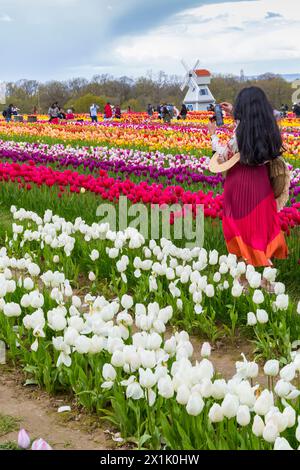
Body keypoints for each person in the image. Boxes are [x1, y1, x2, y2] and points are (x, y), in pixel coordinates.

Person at [207, 86, 288, 269]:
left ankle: (244, 274)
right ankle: (266, 273)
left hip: (239, 184)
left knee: (240, 227)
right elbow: (252, 124)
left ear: (243, 108)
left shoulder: (240, 134)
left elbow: (223, 155)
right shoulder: (270, 129)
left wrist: (213, 135)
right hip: (261, 183)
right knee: (261, 225)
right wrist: (234, 113)